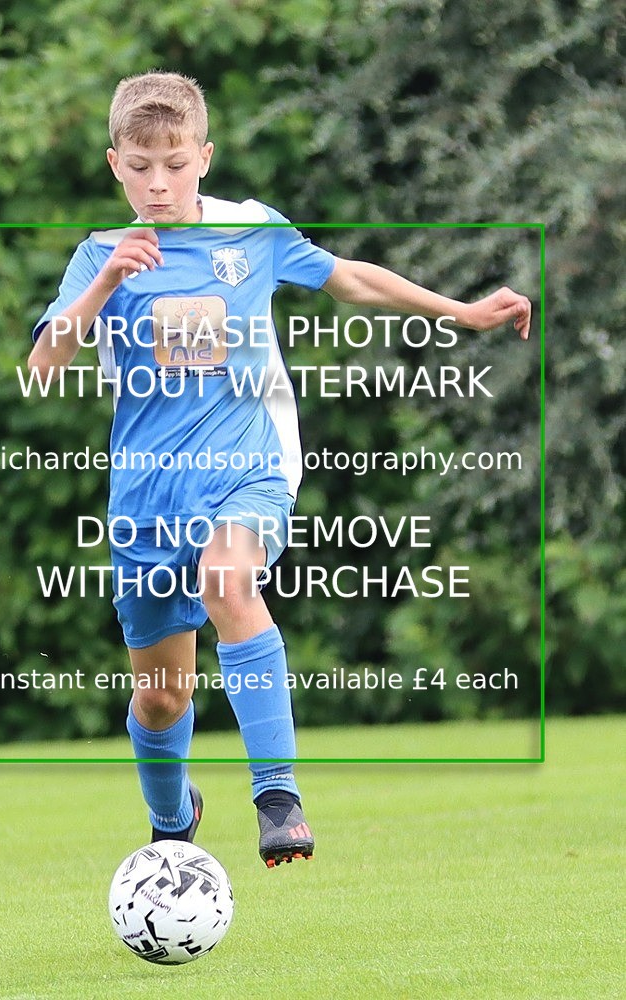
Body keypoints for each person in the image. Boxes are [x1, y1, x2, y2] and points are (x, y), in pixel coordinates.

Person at [29, 71, 531, 868]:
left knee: (228, 583)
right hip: (147, 498)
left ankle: (277, 796)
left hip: (248, 469)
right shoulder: (98, 256)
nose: (158, 183)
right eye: (139, 165)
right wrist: (103, 283)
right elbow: (45, 361)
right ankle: (172, 826)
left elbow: (351, 278)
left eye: (174, 163)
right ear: (113, 164)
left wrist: (461, 311)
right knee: (162, 696)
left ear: (204, 157)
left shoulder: (250, 234)